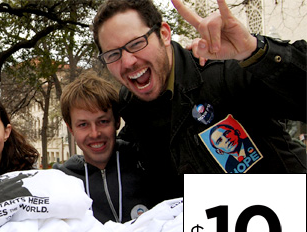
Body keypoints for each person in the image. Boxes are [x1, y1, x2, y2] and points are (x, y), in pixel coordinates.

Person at [92, 0, 306, 197]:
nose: (128, 62)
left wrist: (253, 50)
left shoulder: (223, 69)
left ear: (164, 34)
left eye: (136, 43)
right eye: (113, 55)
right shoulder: (132, 105)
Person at [53, 71, 159, 223]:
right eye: (83, 125)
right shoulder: (62, 180)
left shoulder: (146, 160)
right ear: (71, 129)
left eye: (102, 121)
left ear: (117, 121)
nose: (95, 133)